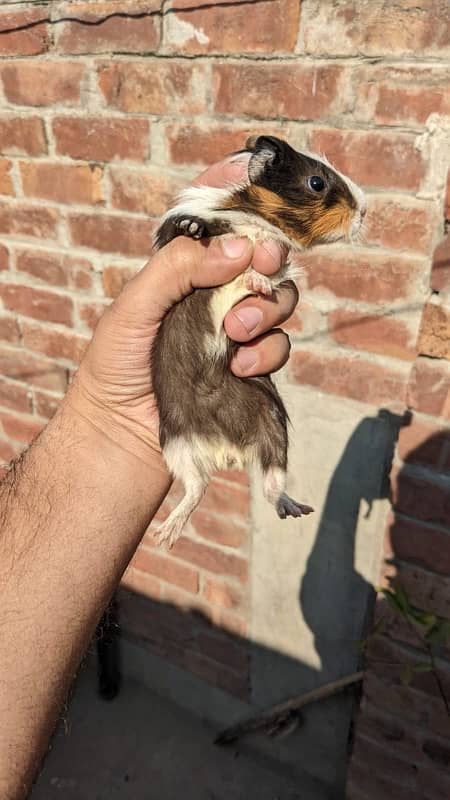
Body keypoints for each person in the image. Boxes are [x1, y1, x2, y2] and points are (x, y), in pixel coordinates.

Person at [0, 155, 299, 800]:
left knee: (266, 414)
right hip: (176, 397)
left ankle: (264, 485)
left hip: (184, 395)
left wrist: (114, 426)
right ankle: (211, 490)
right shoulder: (205, 229)